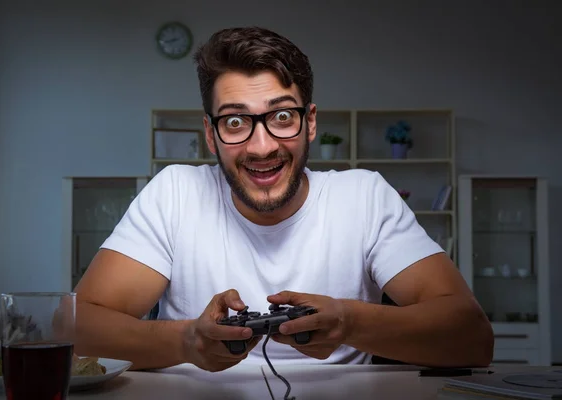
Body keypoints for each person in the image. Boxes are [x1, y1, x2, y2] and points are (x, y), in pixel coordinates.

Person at [73, 26, 494, 372]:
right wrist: (187, 341)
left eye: (281, 117)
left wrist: (350, 322)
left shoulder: (364, 196)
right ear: (210, 133)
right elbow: (73, 327)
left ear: (310, 123)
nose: (261, 147)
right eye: (235, 121)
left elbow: (472, 338)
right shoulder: (175, 192)